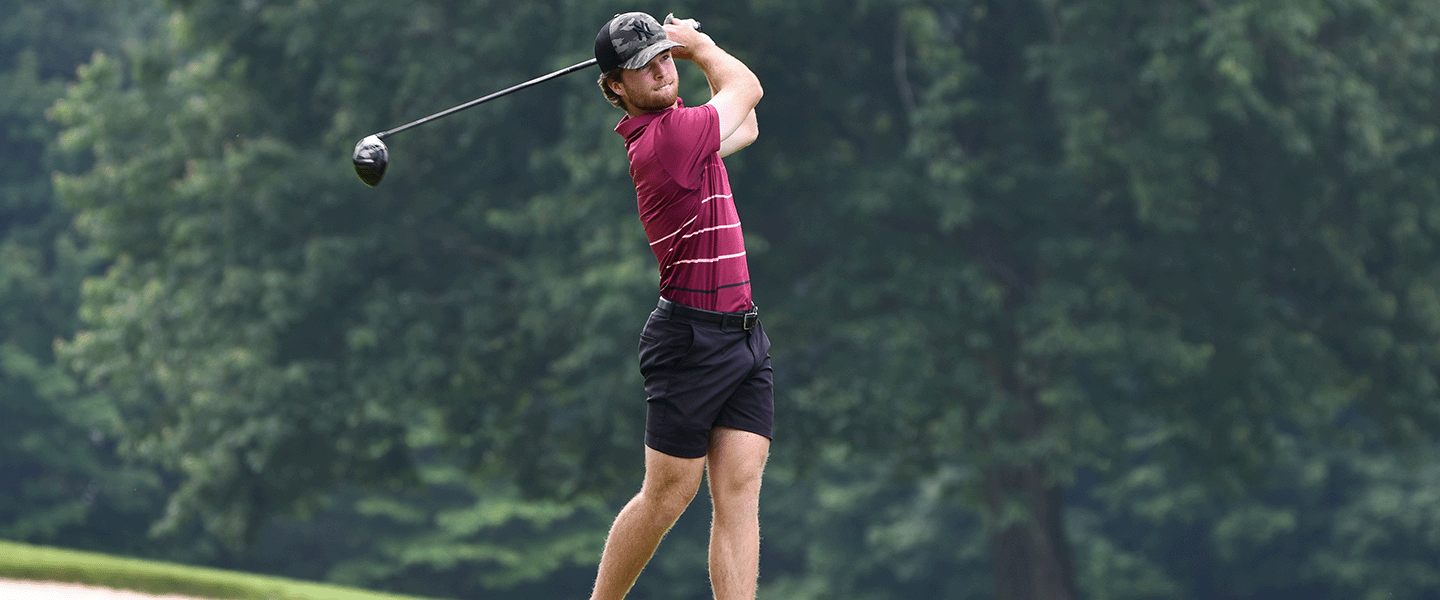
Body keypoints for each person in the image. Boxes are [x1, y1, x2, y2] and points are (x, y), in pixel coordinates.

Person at [588, 11, 770, 600]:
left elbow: (748, 124)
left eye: (665, 56)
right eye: (645, 66)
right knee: (668, 496)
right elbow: (748, 88)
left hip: (743, 335)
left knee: (739, 494)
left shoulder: (686, 131)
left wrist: (691, 55)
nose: (662, 69)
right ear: (616, 87)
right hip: (689, 339)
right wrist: (700, 46)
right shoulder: (663, 141)